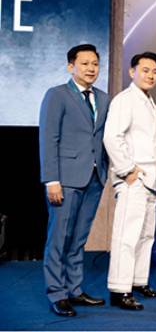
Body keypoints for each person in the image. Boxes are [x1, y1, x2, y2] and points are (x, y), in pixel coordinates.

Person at [38, 44, 109, 317]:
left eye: (95, 64)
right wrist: (51, 180)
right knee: (59, 238)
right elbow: (49, 139)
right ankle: (57, 294)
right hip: (65, 179)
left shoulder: (103, 98)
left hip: (94, 177)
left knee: (79, 238)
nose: (91, 68)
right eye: (85, 63)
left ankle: (74, 289)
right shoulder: (57, 95)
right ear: (71, 66)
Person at [103, 51, 156, 310]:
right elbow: (112, 137)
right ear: (132, 72)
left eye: (155, 71)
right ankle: (119, 289)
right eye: (145, 70)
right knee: (127, 235)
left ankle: (139, 281)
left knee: (146, 235)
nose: (151, 75)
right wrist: (128, 170)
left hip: (151, 178)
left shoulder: (151, 104)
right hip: (134, 177)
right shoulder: (124, 100)